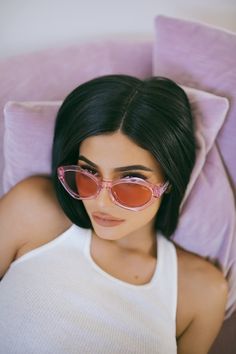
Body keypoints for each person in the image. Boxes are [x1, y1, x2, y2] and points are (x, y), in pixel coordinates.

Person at [0, 75, 228, 354]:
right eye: (88, 173)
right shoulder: (33, 208)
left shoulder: (202, 291)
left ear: (168, 182)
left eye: (131, 182)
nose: (102, 202)